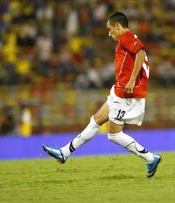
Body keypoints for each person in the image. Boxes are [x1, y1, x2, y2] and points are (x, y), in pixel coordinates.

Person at [42, 11, 161, 178]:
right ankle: (64, 152)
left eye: (110, 29)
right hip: (119, 90)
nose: (109, 33)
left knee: (114, 135)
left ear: (118, 27)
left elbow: (140, 53)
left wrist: (133, 79)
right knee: (96, 119)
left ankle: (150, 158)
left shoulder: (127, 37)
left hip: (127, 94)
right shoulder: (124, 39)